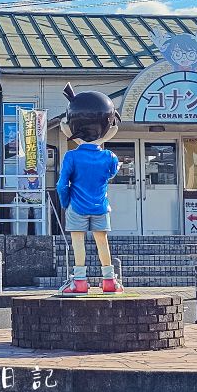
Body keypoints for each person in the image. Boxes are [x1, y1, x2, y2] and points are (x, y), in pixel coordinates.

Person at [56, 84, 123, 295]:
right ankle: (109, 280)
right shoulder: (109, 157)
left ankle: (80, 282)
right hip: (101, 205)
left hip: (76, 205)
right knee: (102, 241)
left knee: (78, 242)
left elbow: (61, 184)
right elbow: (111, 174)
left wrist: (66, 202)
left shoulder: (72, 156)